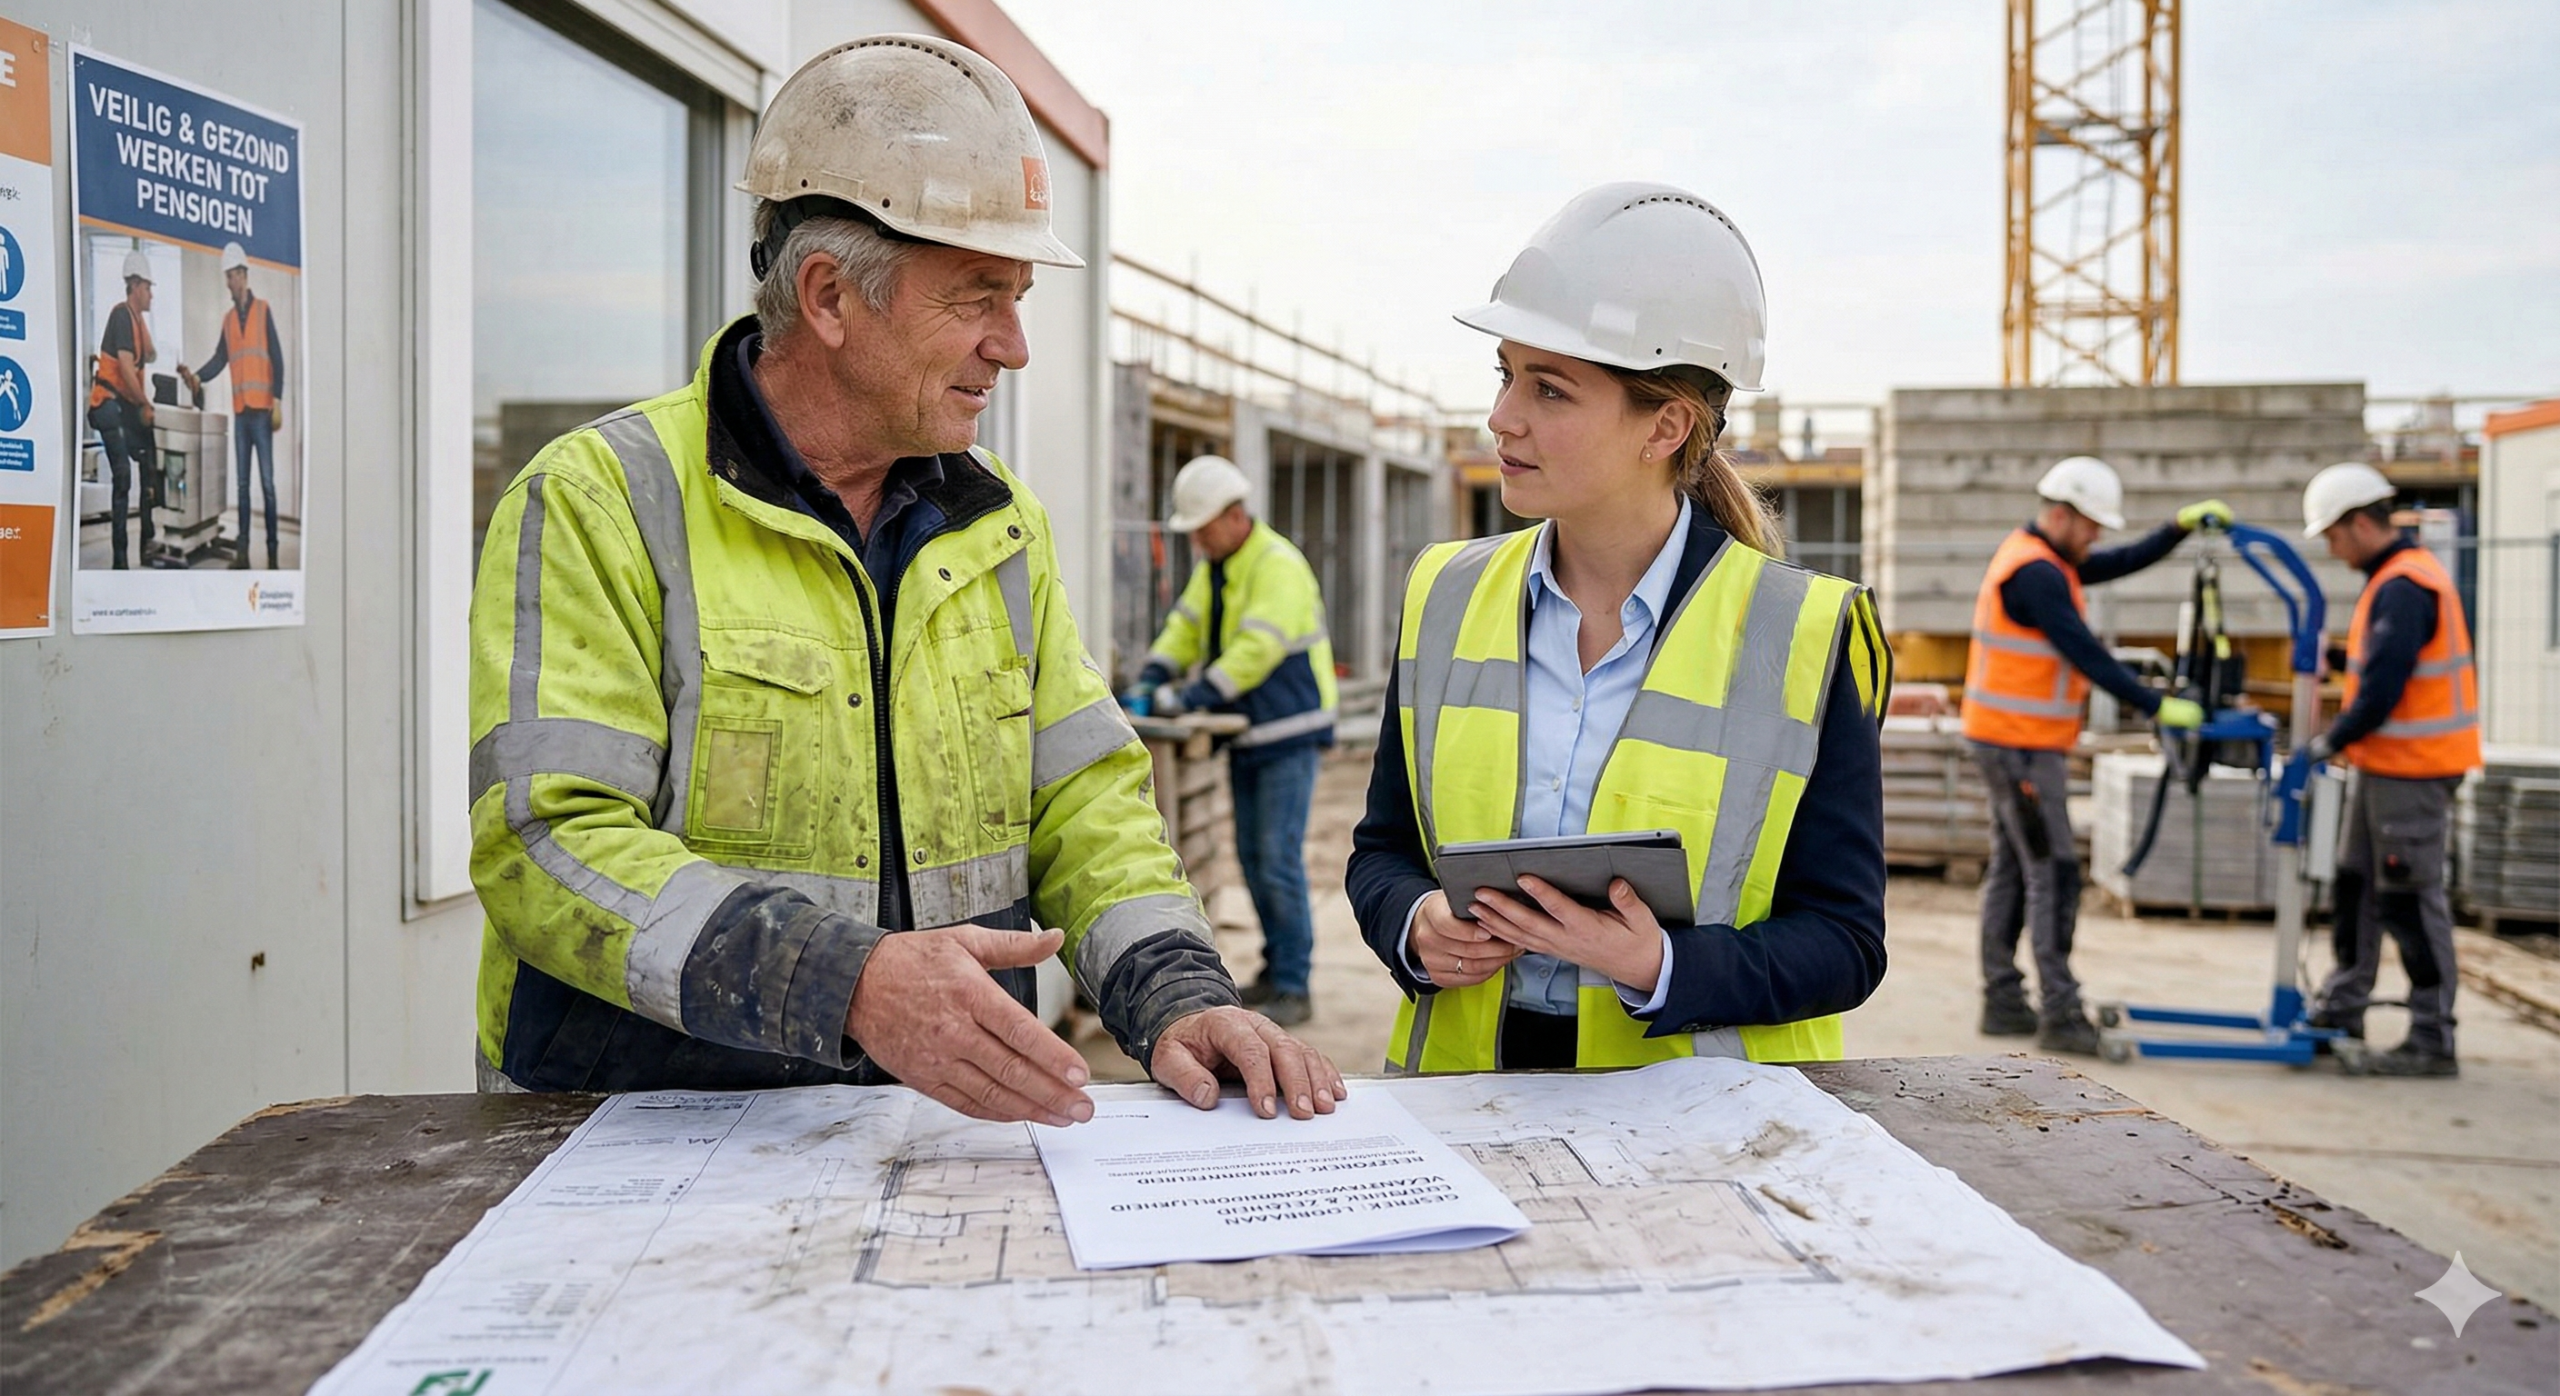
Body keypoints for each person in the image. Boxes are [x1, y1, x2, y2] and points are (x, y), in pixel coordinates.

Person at [469, 35, 1343, 1125]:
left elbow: (1083, 800)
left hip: (937, 1140)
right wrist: (845, 982)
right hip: (645, 1144)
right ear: (831, 297)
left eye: (1019, 299)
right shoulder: (603, 502)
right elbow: (547, 841)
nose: (1013, 346)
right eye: (977, 298)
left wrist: (1176, 992)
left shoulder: (997, 526)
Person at [1348, 182, 1893, 1073]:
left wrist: (1661, 965)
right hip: (1466, 1100)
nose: (1502, 417)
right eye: (1506, 375)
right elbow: (1384, 851)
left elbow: (1845, 940)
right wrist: (1415, 923)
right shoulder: (1444, 596)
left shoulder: (1802, 635)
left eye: (1550, 390)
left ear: (1665, 426)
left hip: (1701, 1123)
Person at [1961, 457, 2232, 1054]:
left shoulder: (2046, 559)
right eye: (2090, 526)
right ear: (2061, 515)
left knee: (2015, 867)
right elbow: (2086, 652)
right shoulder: (2035, 573)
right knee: (2053, 869)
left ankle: (2002, 998)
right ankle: (2060, 1011)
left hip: (2011, 740)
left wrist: (2175, 529)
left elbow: (2117, 563)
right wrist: (2156, 706)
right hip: (2019, 746)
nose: (2095, 538)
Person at [1123, 456, 1337, 1027]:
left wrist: (1190, 696)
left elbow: (1256, 651)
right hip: (1248, 732)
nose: (1197, 539)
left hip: (1287, 731)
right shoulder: (1218, 567)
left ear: (1234, 515)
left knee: (1277, 859)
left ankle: (1294, 984)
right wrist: (1154, 674)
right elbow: (1186, 626)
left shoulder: (1276, 564)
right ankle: (1275, 971)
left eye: (1202, 527)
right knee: (1253, 857)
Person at [2297, 462, 2479, 1077]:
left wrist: (2329, 741)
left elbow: (2384, 686)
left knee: (2407, 900)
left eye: (2332, 535)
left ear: (2358, 523)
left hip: (2413, 770)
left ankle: (2432, 1036)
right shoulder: (2392, 580)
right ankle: (2344, 1005)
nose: (2332, 548)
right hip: (2384, 766)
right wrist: (2336, 659)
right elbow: (2379, 661)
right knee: (2357, 888)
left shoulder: (2405, 584)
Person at [179, 241, 287, 570]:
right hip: (241, 415)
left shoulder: (263, 310)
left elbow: (278, 360)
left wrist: (278, 400)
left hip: (262, 413)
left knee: (267, 485)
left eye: (230, 276)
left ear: (242, 274)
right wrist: (196, 377)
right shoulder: (228, 320)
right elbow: (219, 359)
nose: (227, 283)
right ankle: (242, 553)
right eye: (226, 277)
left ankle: (272, 554)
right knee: (242, 486)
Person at [86, 248, 158, 570]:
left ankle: (147, 544)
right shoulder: (120, 315)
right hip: (107, 403)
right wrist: (144, 403)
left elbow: (151, 354)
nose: (152, 294)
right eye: (148, 288)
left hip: (124, 405)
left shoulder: (136, 320)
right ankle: (120, 560)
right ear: (136, 286)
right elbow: (128, 371)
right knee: (123, 474)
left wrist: (144, 323)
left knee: (149, 458)